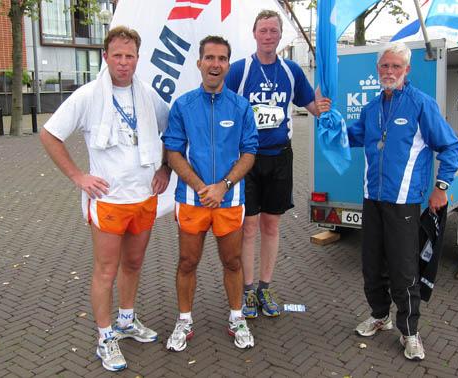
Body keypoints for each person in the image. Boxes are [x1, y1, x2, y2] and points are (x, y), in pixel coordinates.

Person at [40, 26, 171, 372]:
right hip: (109, 201)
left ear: (138, 59)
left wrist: (166, 171)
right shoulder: (87, 95)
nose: (124, 63)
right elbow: (50, 134)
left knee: (133, 264)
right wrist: (78, 176)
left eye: (130, 56)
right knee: (106, 271)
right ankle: (104, 336)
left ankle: (127, 321)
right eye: (118, 55)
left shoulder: (148, 95)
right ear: (106, 57)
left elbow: (172, 133)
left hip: (144, 197)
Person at [347, 42, 458, 361]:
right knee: (372, 265)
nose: (389, 72)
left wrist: (441, 186)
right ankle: (380, 315)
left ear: (406, 70)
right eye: (385, 66)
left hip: (404, 203)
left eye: (396, 66)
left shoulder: (421, 105)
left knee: (403, 269)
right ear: (378, 68)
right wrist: (326, 120)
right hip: (373, 199)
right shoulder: (371, 109)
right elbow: (351, 136)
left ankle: (410, 331)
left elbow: (450, 146)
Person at [225, 10, 331, 319]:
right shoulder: (240, 70)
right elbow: (223, 108)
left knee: (271, 225)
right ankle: (246, 290)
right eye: (263, 30)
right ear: (254, 34)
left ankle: (265, 286)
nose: (268, 36)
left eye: (273, 30)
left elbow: (313, 107)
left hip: (281, 157)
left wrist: (324, 103)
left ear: (280, 35)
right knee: (249, 226)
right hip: (248, 160)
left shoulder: (291, 70)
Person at [163, 35, 259, 352]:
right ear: (199, 63)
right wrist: (200, 187)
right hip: (192, 200)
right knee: (187, 261)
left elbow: (249, 152)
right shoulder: (183, 105)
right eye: (210, 58)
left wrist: (224, 186)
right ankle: (184, 320)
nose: (215, 64)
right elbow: (173, 151)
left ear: (228, 65)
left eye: (221, 59)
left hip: (230, 199)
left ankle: (236, 318)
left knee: (232, 261)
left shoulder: (241, 106)